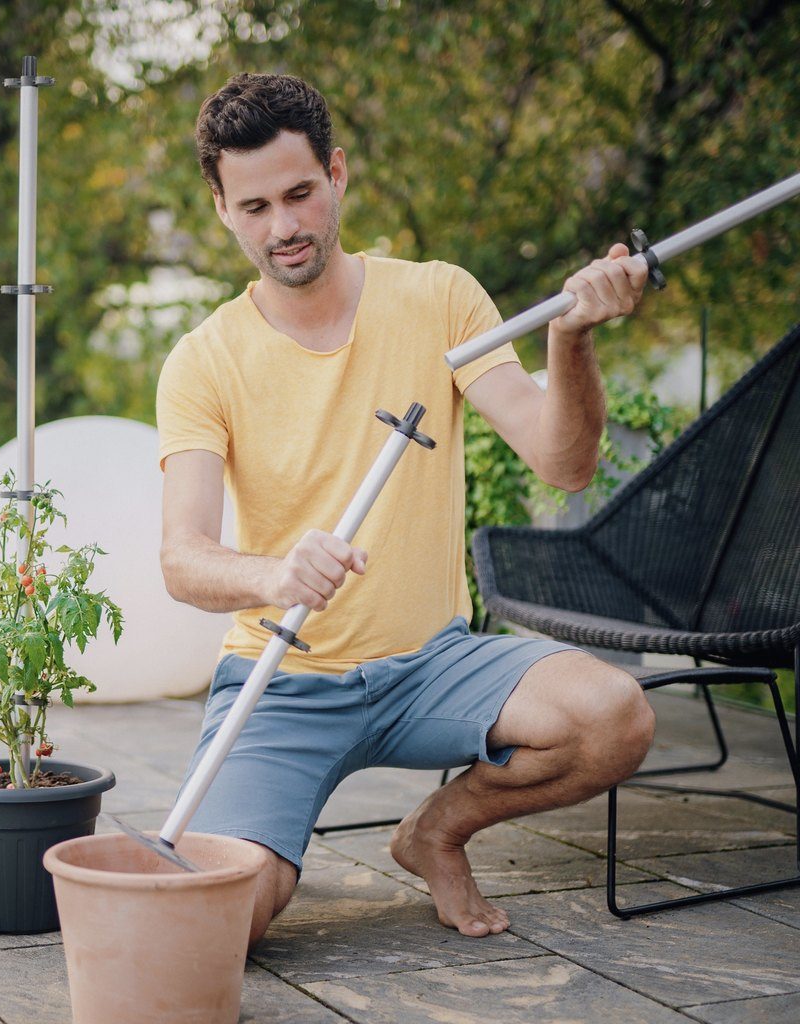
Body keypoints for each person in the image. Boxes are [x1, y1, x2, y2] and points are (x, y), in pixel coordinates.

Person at [155, 72, 655, 946]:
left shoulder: (440, 298)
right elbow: (181, 558)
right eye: (256, 207)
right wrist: (274, 574)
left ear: (337, 173)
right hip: (282, 680)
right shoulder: (203, 361)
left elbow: (565, 463)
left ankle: (437, 832)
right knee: (223, 916)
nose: (284, 227)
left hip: (433, 663)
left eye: (301, 194)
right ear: (222, 209)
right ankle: (257, 858)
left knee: (614, 716)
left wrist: (569, 341)